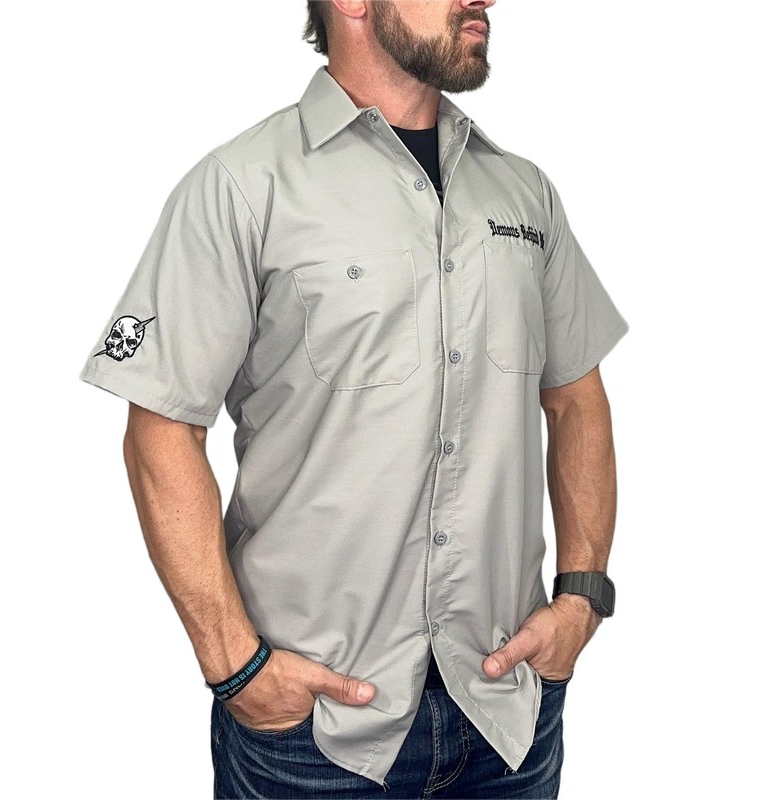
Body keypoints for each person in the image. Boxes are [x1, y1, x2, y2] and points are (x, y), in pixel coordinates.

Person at [79, 0, 629, 797]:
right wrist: (236, 667)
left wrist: (581, 597)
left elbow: (576, 398)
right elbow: (160, 430)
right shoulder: (242, 187)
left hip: (507, 711)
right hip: (314, 731)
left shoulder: (524, 194)